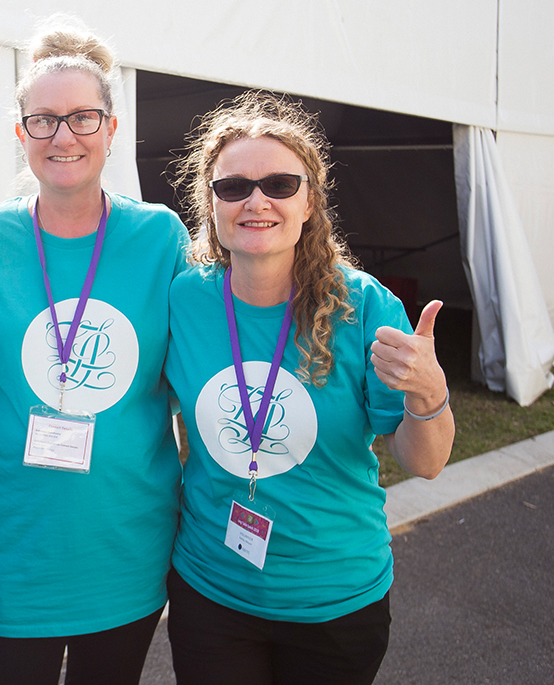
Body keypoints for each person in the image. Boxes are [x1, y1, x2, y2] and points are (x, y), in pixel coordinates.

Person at [164, 91, 455, 685]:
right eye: (233, 187)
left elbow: (424, 463)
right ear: (210, 203)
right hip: (212, 590)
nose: (257, 201)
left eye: (279, 184)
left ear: (310, 201)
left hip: (335, 600)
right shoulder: (183, 300)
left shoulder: (365, 305)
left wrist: (429, 394)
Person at [0, 23, 190, 685]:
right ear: (20, 135)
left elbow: (190, 383)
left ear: (111, 129)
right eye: (44, 120)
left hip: (125, 549)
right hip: (7, 557)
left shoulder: (160, 237)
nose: (63, 136)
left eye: (82, 118)